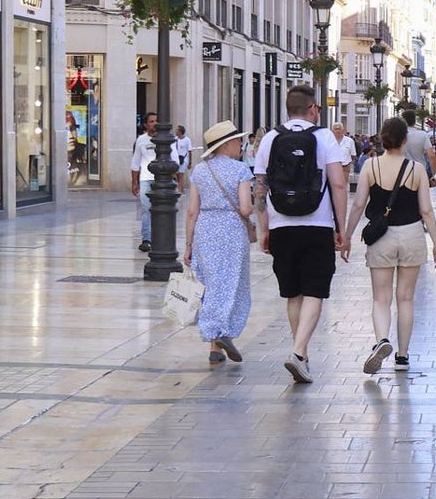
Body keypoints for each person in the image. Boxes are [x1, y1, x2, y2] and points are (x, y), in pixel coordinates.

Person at [254, 85, 348, 384]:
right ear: (313, 108)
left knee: (293, 292)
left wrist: (264, 228)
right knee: (315, 290)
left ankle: (301, 355)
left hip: (281, 225)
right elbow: (339, 185)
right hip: (317, 224)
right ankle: (297, 353)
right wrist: (341, 227)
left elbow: (260, 187)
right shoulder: (324, 138)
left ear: (287, 108)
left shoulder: (270, 138)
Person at [343, 117, 436, 374]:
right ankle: (402, 356)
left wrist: (346, 236)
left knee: (381, 298)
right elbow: (426, 211)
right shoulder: (416, 169)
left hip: (381, 238)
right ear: (405, 140)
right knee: (406, 298)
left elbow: (357, 205)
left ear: (382, 138)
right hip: (411, 235)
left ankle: (382, 340)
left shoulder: (371, 166)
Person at [184, 121, 254, 364]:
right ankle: (222, 331)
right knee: (232, 282)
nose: (240, 146)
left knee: (211, 283)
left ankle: (215, 346)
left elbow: (192, 211)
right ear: (227, 144)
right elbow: (245, 209)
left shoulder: (200, 171)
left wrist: (188, 245)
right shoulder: (240, 170)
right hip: (232, 231)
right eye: (238, 141)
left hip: (205, 229)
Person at [130, 112, 176, 254]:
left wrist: (173, 177)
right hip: (145, 178)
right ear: (146, 124)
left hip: (163, 179)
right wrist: (134, 182)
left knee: (164, 210)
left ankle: (161, 238)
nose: (154, 124)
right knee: (146, 209)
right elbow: (135, 162)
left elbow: (175, 160)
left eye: (156, 121)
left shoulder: (169, 139)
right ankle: (147, 239)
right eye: (151, 121)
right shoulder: (141, 140)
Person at [401, 109, 436, 178]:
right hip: (419, 171)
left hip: (402, 171)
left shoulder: (398, 135)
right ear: (415, 121)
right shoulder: (423, 135)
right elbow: (431, 156)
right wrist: (434, 175)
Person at [174, 125, 193, 194]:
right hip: (177, 159)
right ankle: (180, 187)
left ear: (180, 131)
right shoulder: (175, 139)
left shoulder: (187, 140)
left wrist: (190, 162)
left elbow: (190, 151)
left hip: (184, 159)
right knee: (177, 174)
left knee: (181, 174)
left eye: (177, 130)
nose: (176, 131)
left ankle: (180, 189)